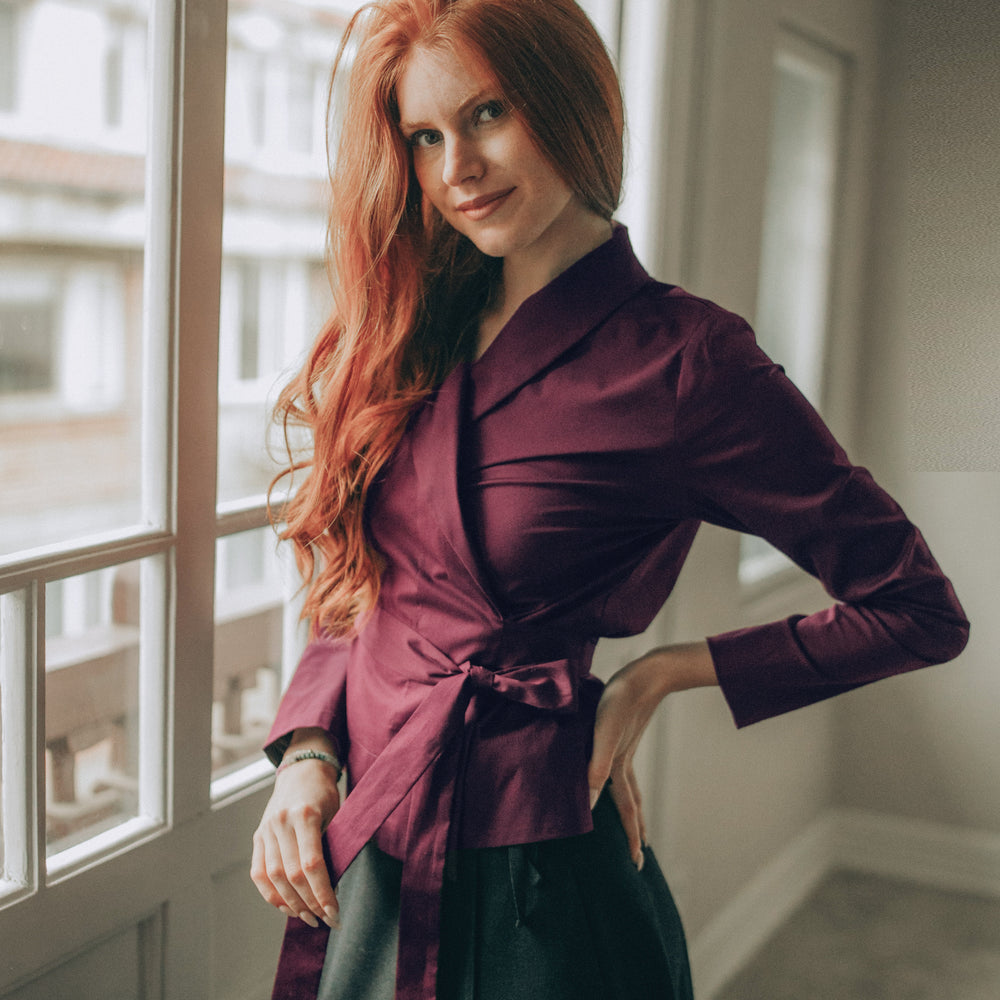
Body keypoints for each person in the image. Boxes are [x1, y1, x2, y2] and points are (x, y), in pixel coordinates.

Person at [250, 1, 970, 998]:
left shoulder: (689, 359)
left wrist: (657, 676)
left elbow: (918, 608)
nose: (456, 166)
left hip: (529, 882)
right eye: (424, 136)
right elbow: (363, 575)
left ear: (569, 101)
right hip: (365, 837)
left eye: (487, 113)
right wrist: (307, 753)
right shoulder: (423, 321)